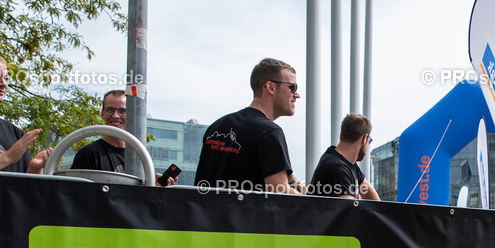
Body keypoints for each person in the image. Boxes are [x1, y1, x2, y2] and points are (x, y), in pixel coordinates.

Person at [194, 58, 305, 195]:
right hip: (245, 216)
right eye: (292, 87)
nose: (297, 95)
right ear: (270, 87)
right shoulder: (269, 132)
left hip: (205, 215)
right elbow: (280, 194)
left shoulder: (216, 127)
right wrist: (312, 202)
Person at [70, 89, 176, 185]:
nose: (115, 116)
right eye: (110, 110)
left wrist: (155, 187)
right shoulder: (88, 154)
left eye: (122, 111)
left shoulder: (140, 155)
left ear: (131, 115)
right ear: (102, 114)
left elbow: (139, 199)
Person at [308, 113, 380, 199]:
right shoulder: (337, 168)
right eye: (369, 141)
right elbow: (349, 210)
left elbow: (372, 197)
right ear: (364, 139)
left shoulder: (348, 164)